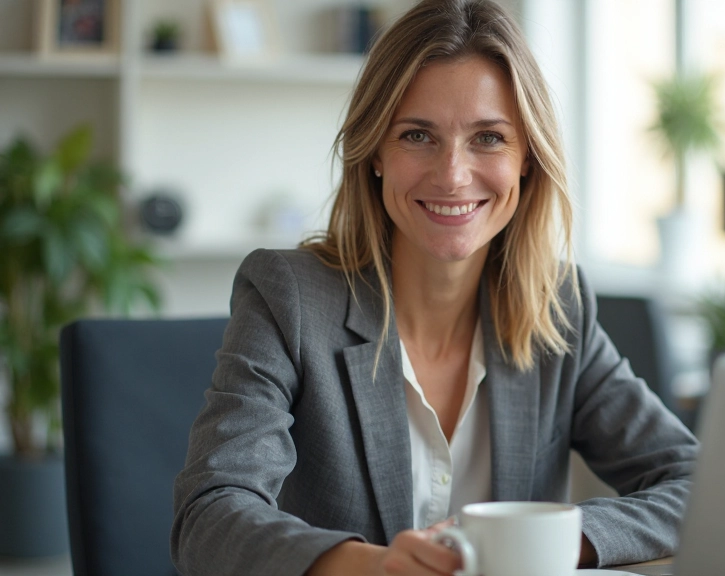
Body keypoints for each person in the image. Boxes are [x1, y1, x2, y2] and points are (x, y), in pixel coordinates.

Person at [170, 0, 698, 574]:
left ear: (528, 158)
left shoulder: (559, 310)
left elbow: (694, 482)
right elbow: (211, 514)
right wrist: (371, 566)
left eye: (489, 138)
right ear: (374, 152)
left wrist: (557, 542)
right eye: (418, 135)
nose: (451, 174)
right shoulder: (290, 299)